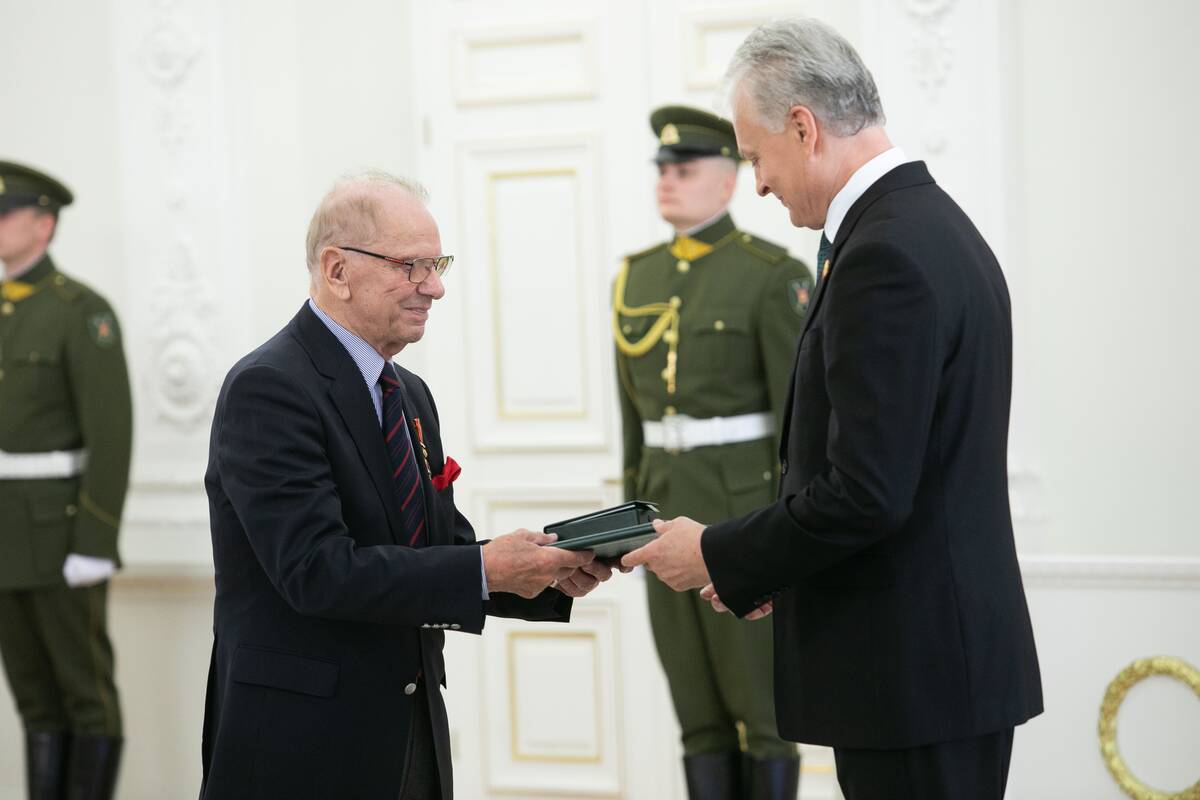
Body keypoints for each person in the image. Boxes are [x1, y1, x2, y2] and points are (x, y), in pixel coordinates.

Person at [623, 18, 1043, 800]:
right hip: (936, 666)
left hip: (911, 677)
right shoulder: (927, 225)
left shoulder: (883, 254)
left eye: (755, 157)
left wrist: (718, 552)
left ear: (803, 128)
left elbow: (866, 492)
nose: (758, 183)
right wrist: (774, 570)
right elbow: (900, 474)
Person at [200, 170, 609, 800]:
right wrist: (486, 570)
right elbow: (317, 570)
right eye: (410, 266)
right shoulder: (269, 387)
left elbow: (436, 549)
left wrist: (546, 569)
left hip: (408, 727)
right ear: (337, 270)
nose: (435, 287)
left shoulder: (408, 392)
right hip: (301, 742)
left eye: (436, 265)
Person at [614, 105, 811, 799]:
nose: (667, 180)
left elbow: (798, 422)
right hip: (661, 511)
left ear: (728, 180)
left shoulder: (771, 274)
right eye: (662, 169)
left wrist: (787, 537)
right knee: (695, 712)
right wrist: (628, 518)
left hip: (742, 514)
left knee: (764, 713)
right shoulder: (634, 278)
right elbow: (632, 417)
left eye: (685, 168)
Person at [0, 161, 131, 800]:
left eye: (6, 214)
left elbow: (111, 434)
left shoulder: (82, 311)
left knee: (85, 694)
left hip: (61, 535)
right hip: (5, 535)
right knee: (33, 697)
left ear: (44, 224)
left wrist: (96, 541)